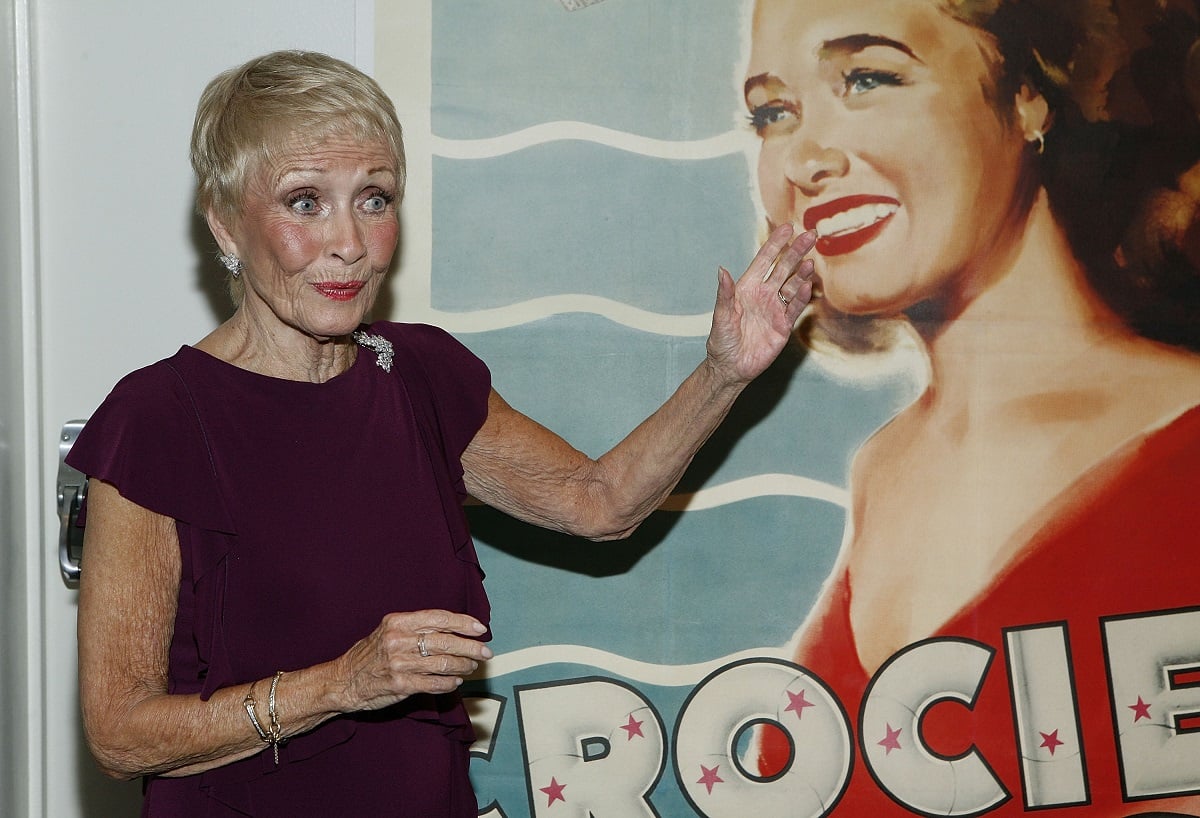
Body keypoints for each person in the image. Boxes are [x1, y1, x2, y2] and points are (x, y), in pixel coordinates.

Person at [65, 50, 817, 817]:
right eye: (304, 202)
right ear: (225, 222)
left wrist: (722, 372)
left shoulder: (419, 374)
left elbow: (600, 503)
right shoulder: (156, 420)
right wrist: (341, 684)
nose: (349, 242)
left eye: (375, 198)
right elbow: (121, 735)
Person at [744, 0, 1200, 815]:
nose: (805, 159)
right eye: (774, 113)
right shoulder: (880, 472)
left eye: (868, 78)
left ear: (1029, 93)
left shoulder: (1185, 446)